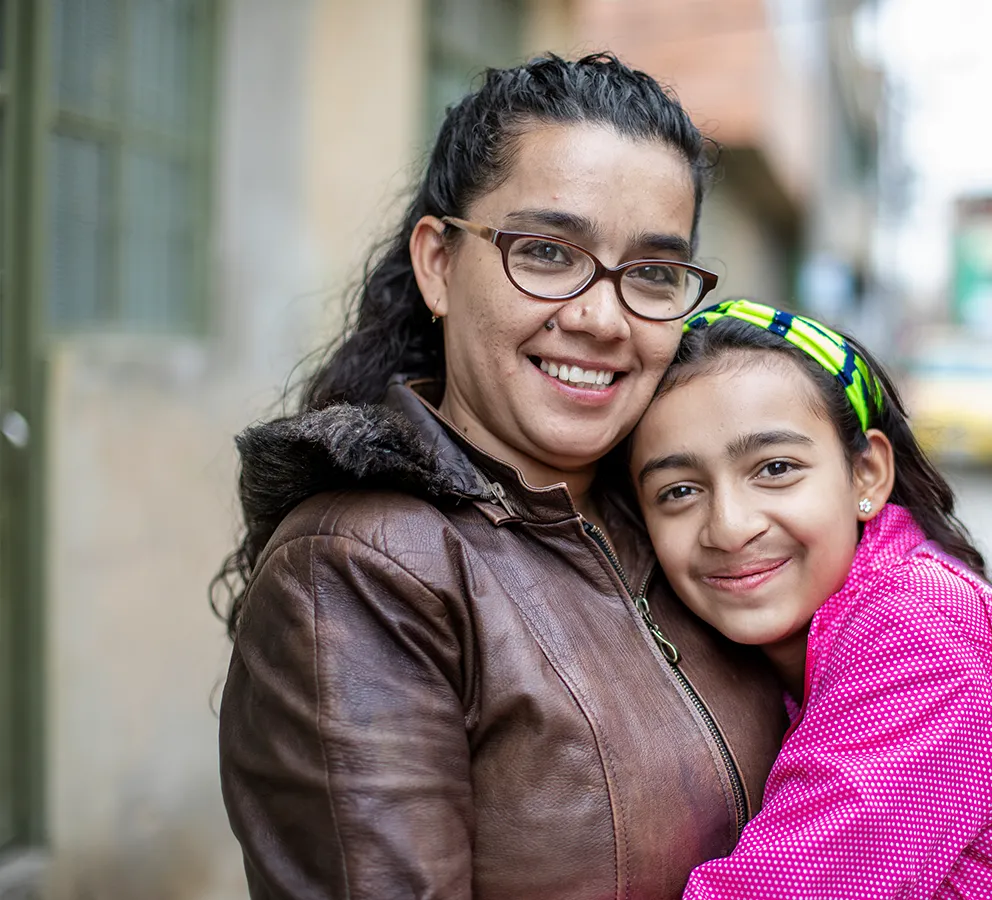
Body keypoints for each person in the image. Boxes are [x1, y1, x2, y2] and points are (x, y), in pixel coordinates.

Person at [212, 55, 788, 900]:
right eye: (549, 253)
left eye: (655, 274)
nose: (602, 319)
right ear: (439, 263)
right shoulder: (361, 574)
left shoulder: (684, 523)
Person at [626, 299, 992, 898]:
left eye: (776, 468)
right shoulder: (848, 623)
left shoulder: (919, 629)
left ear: (866, 475)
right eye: (679, 490)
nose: (730, 527)